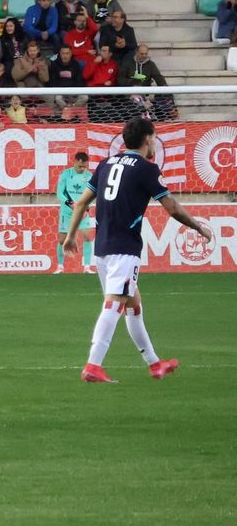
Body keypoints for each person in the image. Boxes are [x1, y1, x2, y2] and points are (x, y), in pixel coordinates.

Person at [63, 117, 212, 382]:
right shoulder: (146, 168)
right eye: (153, 137)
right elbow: (172, 208)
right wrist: (198, 227)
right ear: (148, 138)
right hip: (124, 248)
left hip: (103, 248)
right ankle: (93, 365)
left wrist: (70, 236)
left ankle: (155, 364)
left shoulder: (106, 164)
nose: (154, 142)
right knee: (114, 304)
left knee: (134, 305)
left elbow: (79, 204)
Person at [56, 150, 96, 272]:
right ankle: (60, 266)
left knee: (87, 237)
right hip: (67, 212)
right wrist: (70, 204)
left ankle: (87, 267)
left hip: (82, 211)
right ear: (74, 162)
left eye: (84, 166)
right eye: (80, 166)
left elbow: (93, 194)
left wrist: (86, 208)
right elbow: (59, 193)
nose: (82, 168)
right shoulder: (65, 174)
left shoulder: (89, 176)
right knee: (63, 240)